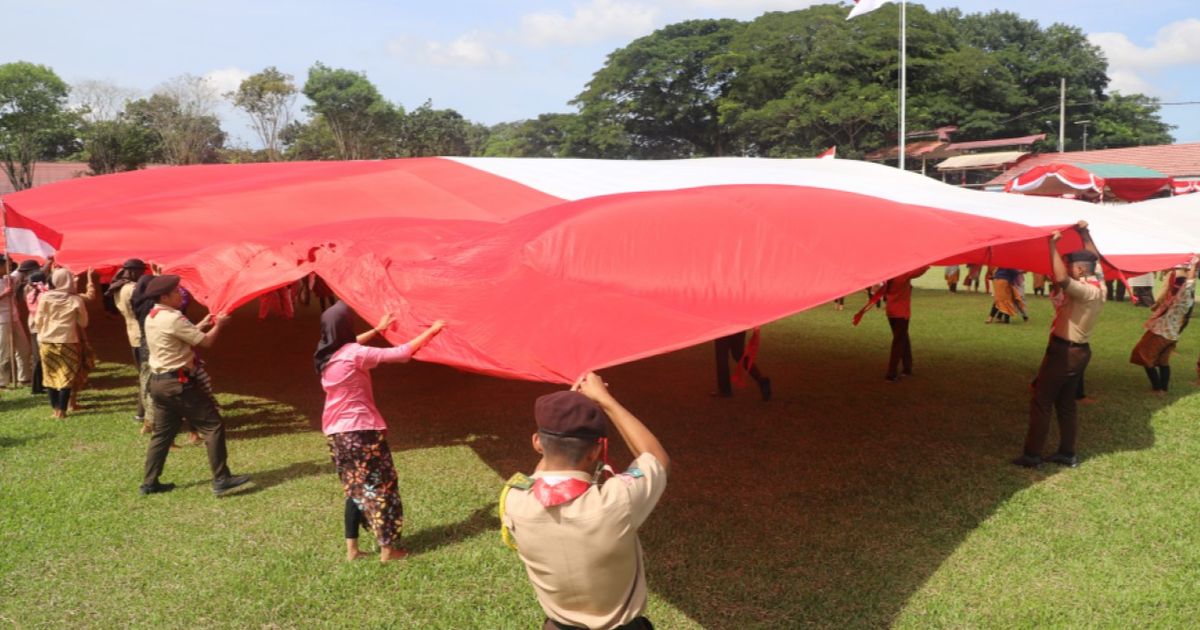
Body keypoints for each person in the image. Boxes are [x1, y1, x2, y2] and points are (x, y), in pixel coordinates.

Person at [500, 372, 669, 630]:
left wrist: (567, 409)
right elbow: (656, 458)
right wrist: (605, 400)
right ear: (595, 452)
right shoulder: (617, 501)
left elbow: (542, 475)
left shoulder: (514, 500)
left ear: (537, 443)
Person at [314, 301, 445, 562]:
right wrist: (433, 330)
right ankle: (388, 549)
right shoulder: (353, 354)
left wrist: (377, 329)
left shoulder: (324, 355)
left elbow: (350, 345)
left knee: (355, 490)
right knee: (381, 486)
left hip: (336, 435)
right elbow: (402, 353)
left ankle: (352, 550)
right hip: (362, 432)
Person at [139, 275, 249, 496]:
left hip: (160, 384)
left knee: (162, 434)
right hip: (178, 384)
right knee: (212, 426)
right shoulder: (173, 318)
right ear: (164, 296)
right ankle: (221, 478)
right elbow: (206, 342)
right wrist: (219, 325)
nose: (181, 295)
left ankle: (149, 483)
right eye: (176, 292)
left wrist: (201, 325)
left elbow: (177, 337)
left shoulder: (153, 316)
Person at [1014, 222, 1104, 469]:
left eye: (1070, 265)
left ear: (1078, 269)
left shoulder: (1085, 291)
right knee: (1065, 404)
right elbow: (1093, 257)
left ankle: (1032, 456)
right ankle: (1067, 453)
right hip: (1079, 351)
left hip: (1065, 351)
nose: (1066, 268)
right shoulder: (1097, 282)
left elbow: (1062, 279)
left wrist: (1052, 244)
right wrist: (1084, 233)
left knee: (1041, 400)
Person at [1129, 258, 1197, 394]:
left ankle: (1157, 388)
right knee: (1163, 361)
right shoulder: (1184, 299)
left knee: (1144, 356)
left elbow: (1189, 283)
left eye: (1177, 285)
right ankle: (1163, 389)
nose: (1174, 287)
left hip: (1161, 333)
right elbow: (1186, 284)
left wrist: (1193, 265)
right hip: (1172, 335)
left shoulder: (1183, 297)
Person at [32, 268, 91, 418]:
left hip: (46, 340)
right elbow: (84, 323)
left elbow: (38, 319)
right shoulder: (75, 300)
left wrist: (43, 331)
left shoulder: (45, 297)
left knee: (49, 373)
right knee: (67, 374)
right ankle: (63, 410)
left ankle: (55, 409)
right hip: (67, 340)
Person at [107, 259, 151, 424]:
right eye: (141, 272)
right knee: (147, 376)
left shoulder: (120, 287)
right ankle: (143, 412)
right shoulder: (133, 289)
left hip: (133, 335)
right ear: (133, 272)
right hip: (142, 335)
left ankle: (141, 412)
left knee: (143, 374)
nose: (143, 275)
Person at [884, 266, 929, 382]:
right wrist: (929, 261)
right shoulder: (903, 275)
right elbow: (920, 270)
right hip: (901, 313)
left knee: (903, 338)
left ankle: (907, 367)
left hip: (891, 312)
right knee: (899, 341)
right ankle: (891, 373)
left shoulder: (888, 275)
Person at [712, 330, 771, 401]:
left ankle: (725, 390)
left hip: (724, 326)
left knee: (722, 356)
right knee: (739, 354)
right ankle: (761, 379)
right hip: (739, 326)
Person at [23, 270, 49, 395]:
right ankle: (39, 385)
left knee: (37, 356)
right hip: (41, 327)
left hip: (33, 326)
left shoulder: (31, 294)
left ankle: (38, 385)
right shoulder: (43, 295)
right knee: (40, 357)